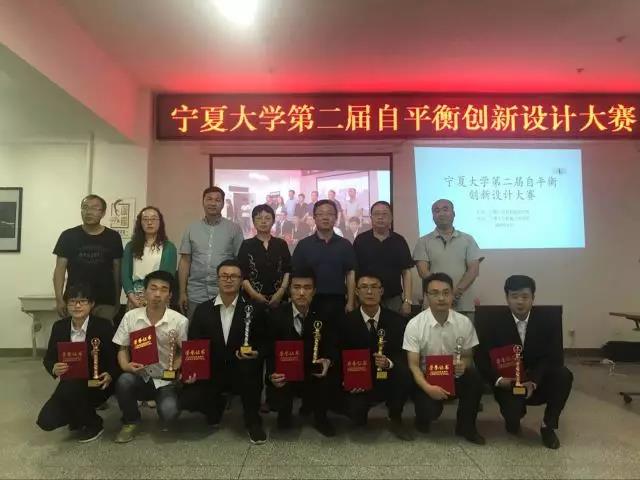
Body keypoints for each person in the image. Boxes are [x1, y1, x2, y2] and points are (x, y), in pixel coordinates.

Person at [474, 275, 573, 449]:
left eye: (525, 296)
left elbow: (552, 357)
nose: (520, 301)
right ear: (507, 298)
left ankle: (548, 426)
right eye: (514, 296)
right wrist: (499, 380)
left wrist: (533, 381)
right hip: (508, 384)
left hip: (538, 380)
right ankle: (513, 418)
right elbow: (481, 357)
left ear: (533, 298)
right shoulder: (492, 322)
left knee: (564, 375)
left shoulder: (547, 321)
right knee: (513, 416)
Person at [180, 260, 268, 444]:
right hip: (214, 369)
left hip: (243, 369)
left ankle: (252, 420)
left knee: (251, 370)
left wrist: (256, 353)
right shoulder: (203, 310)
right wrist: (191, 370)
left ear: (241, 281)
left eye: (234, 276)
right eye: (224, 276)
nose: (229, 280)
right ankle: (215, 406)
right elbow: (194, 343)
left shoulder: (254, 309)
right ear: (217, 279)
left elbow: (265, 341)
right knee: (190, 398)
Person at [403, 273, 485, 445]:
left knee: (474, 377)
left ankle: (466, 426)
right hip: (426, 378)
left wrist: (463, 364)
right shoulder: (415, 325)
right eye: (435, 293)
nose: (441, 298)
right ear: (426, 296)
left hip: (454, 376)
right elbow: (413, 365)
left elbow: (468, 355)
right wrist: (428, 388)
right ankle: (422, 418)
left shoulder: (464, 323)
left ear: (452, 294)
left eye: (446, 293)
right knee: (429, 411)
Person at [112, 270, 188, 443]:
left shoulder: (180, 321)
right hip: (141, 376)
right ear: (145, 292)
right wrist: (126, 366)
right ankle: (131, 421)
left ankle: (166, 409)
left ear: (170, 295)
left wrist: (175, 367)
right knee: (124, 380)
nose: (157, 294)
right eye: (153, 288)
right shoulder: (130, 317)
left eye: (163, 289)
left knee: (169, 412)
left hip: (166, 380)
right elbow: (122, 348)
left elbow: (184, 351)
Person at [37, 283, 116, 443]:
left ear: (91, 304)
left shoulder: (103, 326)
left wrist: (110, 374)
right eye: (72, 301)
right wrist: (54, 368)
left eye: (83, 301)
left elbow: (115, 357)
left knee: (72, 389)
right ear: (66, 304)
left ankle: (94, 424)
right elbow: (49, 358)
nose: (77, 306)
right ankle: (78, 417)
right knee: (46, 421)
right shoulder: (59, 327)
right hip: (69, 383)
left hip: (97, 383)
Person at [340, 273, 413, 441]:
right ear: (356, 292)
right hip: (359, 381)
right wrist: (348, 380)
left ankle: (396, 416)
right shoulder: (345, 322)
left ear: (381, 291)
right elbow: (339, 354)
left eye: (374, 287)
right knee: (356, 415)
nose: (369, 292)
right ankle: (360, 410)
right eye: (364, 287)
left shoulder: (397, 321)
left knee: (404, 372)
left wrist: (389, 363)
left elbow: (403, 353)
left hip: (387, 376)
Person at [266, 270, 339, 437]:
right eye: (296, 287)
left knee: (329, 376)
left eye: (307, 288)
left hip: (314, 370)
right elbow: (270, 350)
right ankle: (284, 413)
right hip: (287, 372)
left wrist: (328, 360)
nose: (301, 292)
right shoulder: (276, 315)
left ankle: (321, 418)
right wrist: (271, 374)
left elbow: (332, 345)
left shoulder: (325, 314)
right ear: (289, 290)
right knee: (278, 386)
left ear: (314, 291)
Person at [53, 194, 123, 322]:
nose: (89, 212)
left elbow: (117, 271)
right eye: (85, 207)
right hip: (75, 299)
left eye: (94, 208)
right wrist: (59, 299)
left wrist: (117, 300)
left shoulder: (113, 237)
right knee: (75, 334)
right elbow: (59, 270)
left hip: (105, 300)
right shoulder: (68, 236)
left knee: (102, 334)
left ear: (103, 213)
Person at [178, 186, 243, 318]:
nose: (213, 203)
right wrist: (182, 292)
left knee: (223, 329)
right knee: (195, 329)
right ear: (203, 202)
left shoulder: (234, 229)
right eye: (209, 199)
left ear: (223, 204)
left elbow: (240, 262)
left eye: (217, 200)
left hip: (224, 293)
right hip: (195, 293)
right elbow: (185, 262)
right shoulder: (191, 228)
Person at [292, 200, 356, 325]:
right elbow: (295, 275)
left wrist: (350, 302)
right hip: (310, 302)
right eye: (320, 214)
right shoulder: (304, 245)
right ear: (314, 218)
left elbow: (350, 273)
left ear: (336, 218)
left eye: (330, 214)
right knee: (312, 336)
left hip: (338, 300)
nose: (325, 217)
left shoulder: (345, 244)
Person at [413, 199, 480, 319]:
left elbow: (473, 270)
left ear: (453, 213)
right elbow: (423, 271)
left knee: (464, 332)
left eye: (445, 209)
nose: (441, 213)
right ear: (432, 216)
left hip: (463, 305)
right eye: (436, 210)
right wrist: (442, 293)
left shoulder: (468, 239)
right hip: (433, 306)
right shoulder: (423, 241)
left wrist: (455, 293)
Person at [353, 201, 414, 316]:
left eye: (385, 214)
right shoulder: (361, 240)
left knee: (395, 326)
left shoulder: (399, 240)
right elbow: (353, 272)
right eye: (376, 214)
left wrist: (408, 301)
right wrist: (353, 299)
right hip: (366, 297)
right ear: (371, 218)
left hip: (393, 298)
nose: (380, 217)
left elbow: (406, 272)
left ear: (391, 218)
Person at [121, 207, 177, 310]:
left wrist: (155, 296)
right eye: (145, 219)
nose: (149, 222)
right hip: (135, 295)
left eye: (153, 219)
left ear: (160, 222)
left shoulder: (169, 247)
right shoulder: (131, 246)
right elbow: (125, 274)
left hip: (158, 294)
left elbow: (169, 276)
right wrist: (132, 296)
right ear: (140, 223)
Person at [238, 204, 291, 310]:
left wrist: (281, 292)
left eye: (267, 218)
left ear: (273, 221)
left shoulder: (281, 244)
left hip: (279, 299)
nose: (263, 221)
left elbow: (287, 270)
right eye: (259, 218)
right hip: (252, 300)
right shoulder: (246, 245)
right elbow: (242, 274)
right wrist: (254, 295)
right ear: (253, 222)